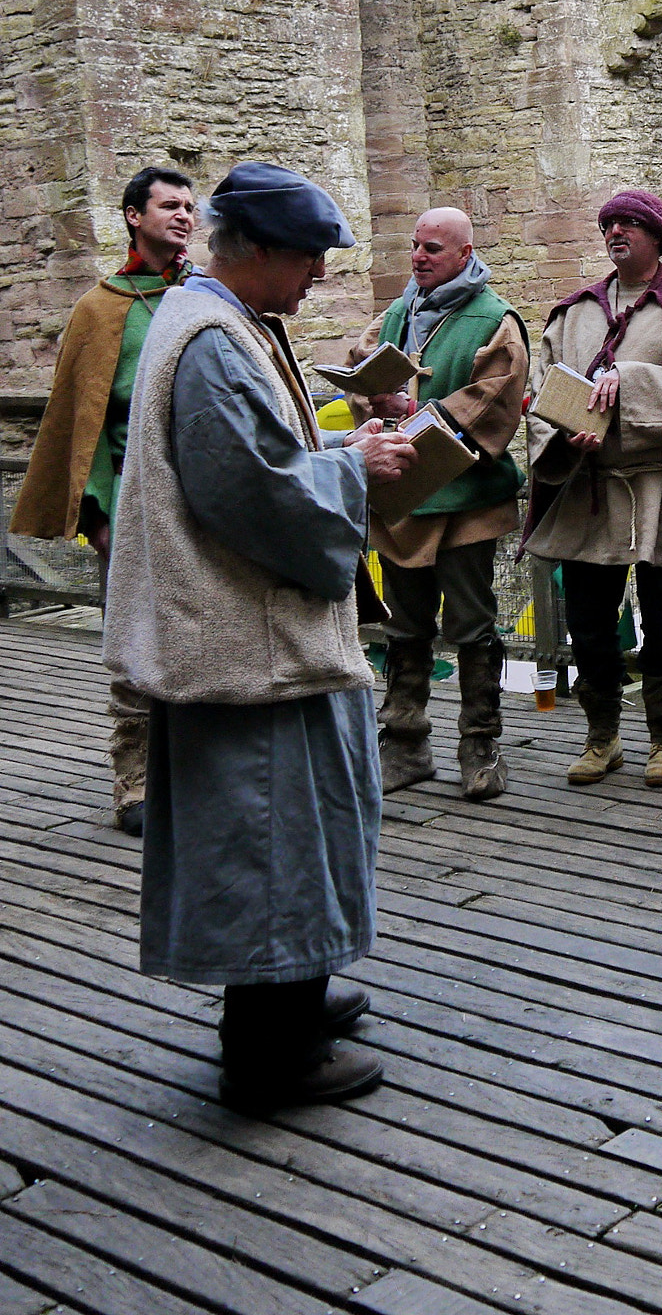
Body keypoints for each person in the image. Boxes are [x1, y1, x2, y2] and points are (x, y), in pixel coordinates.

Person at [102, 162, 416, 1114]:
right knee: (274, 836)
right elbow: (253, 495)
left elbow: (262, 461)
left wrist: (334, 453)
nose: (320, 273)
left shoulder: (218, 322)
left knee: (291, 830)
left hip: (254, 637)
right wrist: (353, 468)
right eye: (312, 257)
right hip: (253, 647)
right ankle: (270, 1050)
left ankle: (298, 991)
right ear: (265, 252)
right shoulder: (212, 341)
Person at [522, 190, 662, 788]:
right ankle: (602, 737)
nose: (616, 232)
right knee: (588, 620)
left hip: (654, 489)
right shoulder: (574, 313)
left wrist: (626, 385)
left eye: (629, 224)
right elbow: (543, 389)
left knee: (660, 616)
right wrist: (565, 434)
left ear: (657, 237)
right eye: (609, 224)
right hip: (588, 488)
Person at [11, 165, 196, 834]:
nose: (183, 216)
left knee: (205, 637)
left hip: (205, 499)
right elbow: (83, 422)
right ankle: (136, 778)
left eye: (190, 207)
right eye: (169, 205)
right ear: (132, 216)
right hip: (132, 499)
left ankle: (201, 772)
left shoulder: (209, 296)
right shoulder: (99, 308)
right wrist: (100, 519)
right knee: (137, 641)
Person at [349, 208, 529, 803]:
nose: (419, 258)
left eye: (432, 248)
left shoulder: (493, 318)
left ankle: (481, 744)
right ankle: (405, 741)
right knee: (406, 623)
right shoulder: (398, 313)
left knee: (473, 624)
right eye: (414, 248)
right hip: (405, 496)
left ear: (463, 252)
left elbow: (497, 394)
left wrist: (418, 416)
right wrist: (370, 397)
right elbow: (364, 366)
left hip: (466, 498)